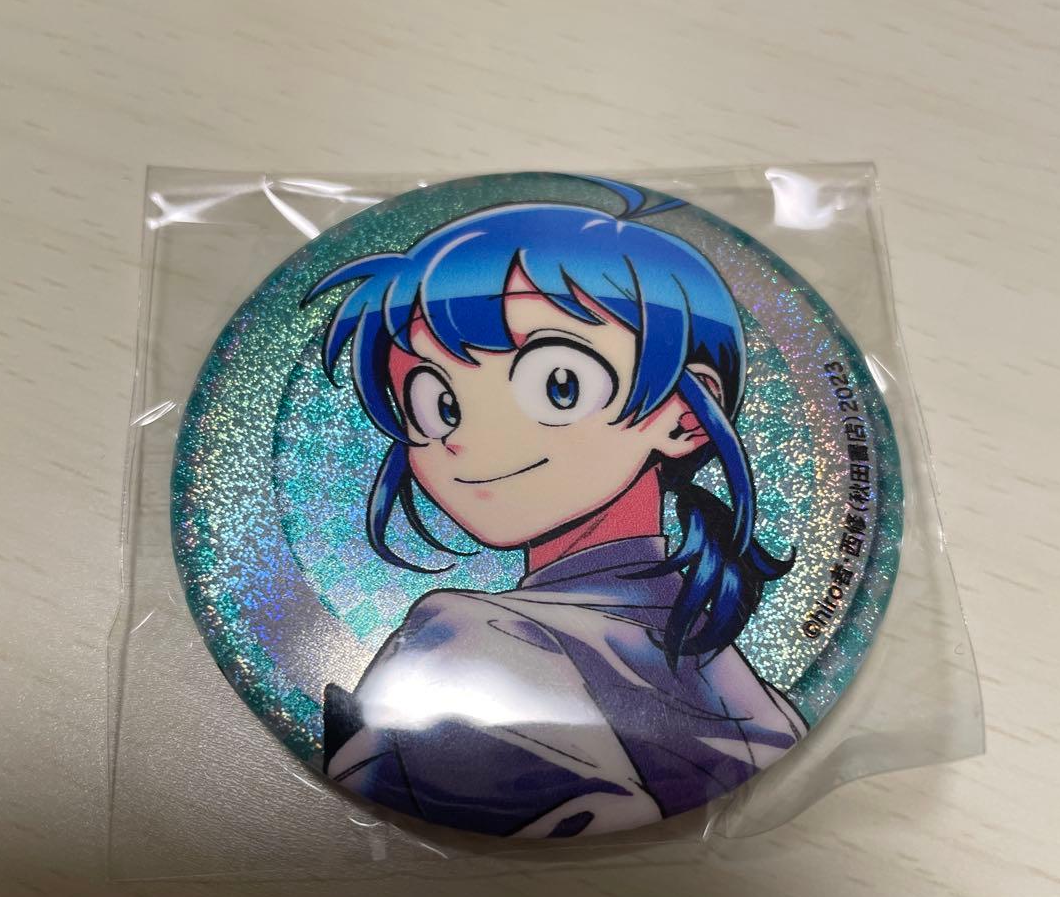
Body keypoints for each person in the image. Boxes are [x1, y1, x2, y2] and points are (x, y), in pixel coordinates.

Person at [303, 176, 805, 837]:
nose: (466, 441)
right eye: (437, 405)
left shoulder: (473, 637)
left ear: (684, 415)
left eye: (557, 385)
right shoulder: (728, 667)